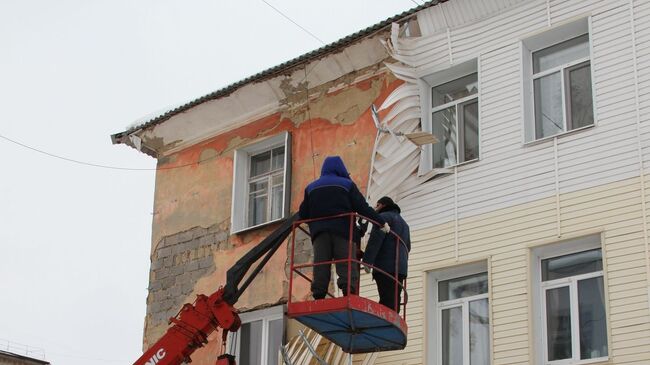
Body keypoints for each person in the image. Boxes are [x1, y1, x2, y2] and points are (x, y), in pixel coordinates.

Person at [299, 156, 390, 300]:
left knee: (321, 262)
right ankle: (349, 290)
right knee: (345, 262)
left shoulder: (311, 188)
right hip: (343, 231)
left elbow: (303, 214)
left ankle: (319, 293)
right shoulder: (347, 185)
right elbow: (362, 208)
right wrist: (381, 223)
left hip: (320, 234)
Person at [363, 196, 410, 312]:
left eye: (377, 205)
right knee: (394, 299)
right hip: (401, 268)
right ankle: (393, 322)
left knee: (386, 299)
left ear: (383, 205)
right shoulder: (405, 224)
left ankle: (386, 323)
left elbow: (375, 240)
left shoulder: (383, 218)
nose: (375, 208)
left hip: (386, 266)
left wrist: (367, 261)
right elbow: (408, 247)